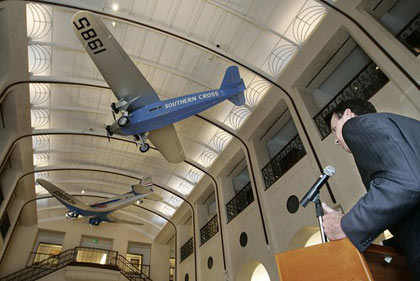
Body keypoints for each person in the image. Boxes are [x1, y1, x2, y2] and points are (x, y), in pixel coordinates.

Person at [321, 98, 420, 279]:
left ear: (349, 115)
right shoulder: (407, 126)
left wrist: (347, 224)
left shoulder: (356, 126)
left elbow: (405, 182)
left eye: (335, 130)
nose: (336, 140)